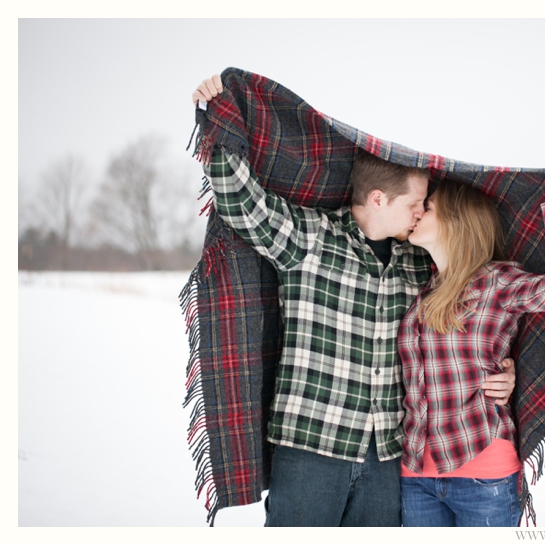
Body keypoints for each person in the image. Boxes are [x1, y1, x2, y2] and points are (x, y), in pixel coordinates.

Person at [191, 75, 516, 527]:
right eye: (417, 202)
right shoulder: (310, 239)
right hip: (312, 446)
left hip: (389, 455)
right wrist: (220, 117)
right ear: (379, 198)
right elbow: (243, 203)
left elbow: (476, 317)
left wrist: (504, 368)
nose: (422, 212)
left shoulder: (419, 265)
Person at [398, 172, 545, 526]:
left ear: (457, 221)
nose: (419, 213)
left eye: (430, 207)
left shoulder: (496, 282)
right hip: (416, 474)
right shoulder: (423, 291)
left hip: (482, 472)